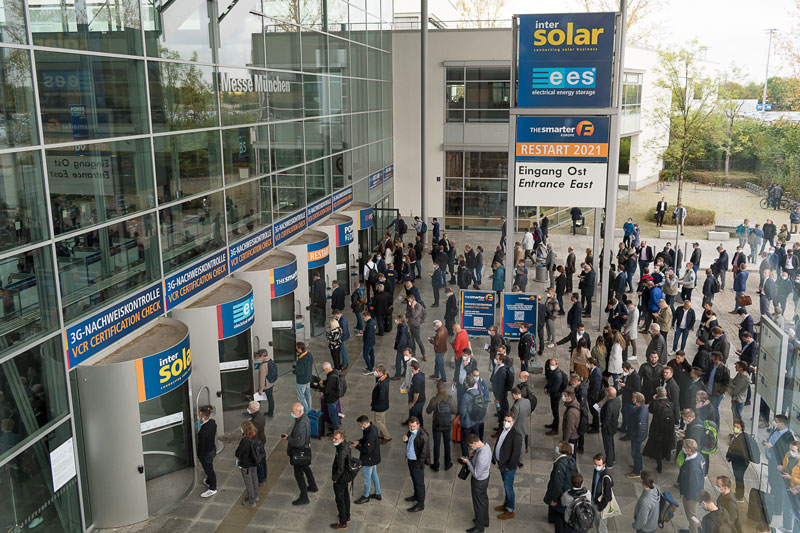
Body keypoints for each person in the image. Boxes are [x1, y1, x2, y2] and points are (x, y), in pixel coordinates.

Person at [283, 402, 317, 505]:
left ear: (300, 411)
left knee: (299, 474)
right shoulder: (304, 418)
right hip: (305, 451)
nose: (291, 413)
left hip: (299, 453)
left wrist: (288, 438)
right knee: (306, 467)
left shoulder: (301, 425)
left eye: (293, 411)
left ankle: (304, 497)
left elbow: (299, 443)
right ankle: (312, 485)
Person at [493, 411, 523, 520]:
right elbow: (499, 443)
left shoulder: (516, 435)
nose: (506, 422)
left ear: (513, 422)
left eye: (508, 421)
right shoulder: (502, 429)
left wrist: (508, 467)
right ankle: (506, 504)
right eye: (505, 420)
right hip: (501, 464)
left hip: (508, 467)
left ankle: (511, 509)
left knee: (508, 487)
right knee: (506, 486)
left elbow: (515, 454)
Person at [544, 441, 578, 533]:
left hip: (561, 496)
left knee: (557, 515)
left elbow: (558, 483)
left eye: (558, 446)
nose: (556, 447)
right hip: (568, 493)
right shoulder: (572, 460)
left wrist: (554, 499)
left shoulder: (560, 464)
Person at [461, 433, 491, 533]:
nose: (471, 447)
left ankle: (479, 527)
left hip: (479, 481)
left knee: (478, 504)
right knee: (484, 500)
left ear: (474, 443)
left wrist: (468, 462)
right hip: (485, 478)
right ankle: (485, 520)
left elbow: (476, 474)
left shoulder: (482, 456)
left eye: (471, 446)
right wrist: (475, 451)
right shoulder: (486, 445)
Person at [642, 387, 675, 473]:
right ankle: (665, 457)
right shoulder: (671, 404)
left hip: (657, 428)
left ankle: (658, 464)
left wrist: (653, 400)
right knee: (663, 445)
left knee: (657, 447)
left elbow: (650, 410)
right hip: (667, 431)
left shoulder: (656, 404)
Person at [425, 380, 456, 471]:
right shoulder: (450, 399)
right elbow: (455, 411)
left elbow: (428, 411)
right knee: (447, 444)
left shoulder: (434, 400)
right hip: (447, 425)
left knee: (436, 445)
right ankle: (447, 464)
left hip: (437, 426)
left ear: (437, 389)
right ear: (445, 389)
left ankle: (436, 465)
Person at [351, 416, 381, 505]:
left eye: (360, 425)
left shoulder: (370, 434)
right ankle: (378, 493)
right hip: (374, 457)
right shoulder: (372, 427)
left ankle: (366, 496)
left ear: (364, 424)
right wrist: (359, 441)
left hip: (369, 459)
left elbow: (367, 450)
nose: (360, 427)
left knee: (367, 478)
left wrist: (356, 446)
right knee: (374, 474)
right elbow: (365, 439)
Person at [678, 439, 705, 533]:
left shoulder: (693, 465)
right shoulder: (699, 456)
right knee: (693, 515)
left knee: (692, 517)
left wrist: (688, 497)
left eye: (685, 448)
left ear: (689, 450)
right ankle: (693, 529)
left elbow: (694, 483)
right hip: (692, 493)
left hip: (691, 496)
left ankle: (694, 530)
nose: (683, 449)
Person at [725, 419, 756, 501]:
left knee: (739, 478)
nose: (735, 428)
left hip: (740, 463)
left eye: (737, 427)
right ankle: (738, 492)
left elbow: (738, 452)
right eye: (734, 426)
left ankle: (739, 495)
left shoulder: (741, 438)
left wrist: (730, 456)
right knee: (738, 477)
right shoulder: (737, 436)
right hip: (738, 462)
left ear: (741, 428)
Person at [403, 417, 429, 512]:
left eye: (413, 426)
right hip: (410, 460)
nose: (411, 428)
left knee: (419, 484)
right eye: (410, 426)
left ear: (418, 425)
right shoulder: (410, 431)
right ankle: (416, 496)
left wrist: (417, 464)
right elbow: (409, 442)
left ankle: (420, 504)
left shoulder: (423, 436)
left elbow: (424, 453)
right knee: (414, 479)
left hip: (417, 463)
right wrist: (405, 440)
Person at [235, 421, 260, 508]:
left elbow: (238, 453)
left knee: (248, 482)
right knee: (255, 479)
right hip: (254, 462)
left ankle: (251, 501)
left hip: (246, 464)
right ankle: (256, 496)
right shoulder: (255, 436)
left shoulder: (245, 441)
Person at [490, 355, 514, 437]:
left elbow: (500, 386)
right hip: (499, 395)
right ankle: (500, 427)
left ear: (501, 360)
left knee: (501, 413)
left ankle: (500, 431)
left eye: (496, 359)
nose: (495, 360)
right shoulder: (498, 366)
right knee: (500, 412)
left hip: (500, 396)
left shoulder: (502, 372)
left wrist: (497, 399)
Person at [197, 406, 218, 498]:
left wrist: (199, 455)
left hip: (206, 454)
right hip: (212, 449)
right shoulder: (212, 423)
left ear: (202, 417)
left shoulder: (202, 432)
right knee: (210, 466)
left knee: (209, 470)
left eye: (199, 415)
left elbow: (201, 446)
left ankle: (212, 488)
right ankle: (209, 481)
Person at [626, 393, 648, 478]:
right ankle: (638, 466)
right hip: (637, 435)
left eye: (634, 398)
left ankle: (636, 471)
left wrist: (633, 435)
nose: (632, 400)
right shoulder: (641, 407)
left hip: (637, 437)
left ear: (638, 401)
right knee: (636, 452)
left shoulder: (641, 413)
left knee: (635, 453)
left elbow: (641, 427)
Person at [591, 454, 614, 533]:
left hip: (600, 505)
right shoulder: (597, 470)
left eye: (599, 465)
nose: (597, 466)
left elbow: (607, 496)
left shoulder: (606, 478)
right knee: (597, 522)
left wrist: (600, 507)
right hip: (594, 499)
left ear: (604, 464)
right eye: (595, 464)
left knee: (602, 527)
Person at [247, 401, 268, 484]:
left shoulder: (254, 421)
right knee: (262, 459)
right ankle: (264, 475)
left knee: (258, 461)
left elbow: (253, 433)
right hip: (262, 439)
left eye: (249, 407)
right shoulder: (261, 415)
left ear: (252, 409)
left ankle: (261, 478)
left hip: (257, 442)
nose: (248, 409)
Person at [618, 361, 640, 438]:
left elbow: (636, 389)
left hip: (630, 401)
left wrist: (625, 386)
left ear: (629, 369)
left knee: (629, 417)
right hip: (625, 398)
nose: (624, 372)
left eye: (625, 370)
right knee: (624, 413)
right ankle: (623, 428)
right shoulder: (628, 374)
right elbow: (625, 378)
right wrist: (621, 380)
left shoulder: (635, 377)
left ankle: (629, 434)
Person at [545, 358, 567, 434]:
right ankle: (553, 424)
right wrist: (546, 386)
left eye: (552, 365)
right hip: (553, 394)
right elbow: (550, 381)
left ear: (557, 365)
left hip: (556, 395)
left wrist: (548, 390)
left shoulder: (558, 375)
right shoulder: (553, 372)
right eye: (550, 364)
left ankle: (555, 429)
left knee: (555, 411)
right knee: (553, 409)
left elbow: (555, 387)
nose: (551, 366)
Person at [371, 365, 391, 443]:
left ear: (381, 372)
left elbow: (381, 397)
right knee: (382, 420)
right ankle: (382, 434)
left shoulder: (382, 384)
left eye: (377, 371)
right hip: (384, 404)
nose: (375, 372)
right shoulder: (383, 378)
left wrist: (375, 403)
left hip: (380, 405)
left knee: (378, 421)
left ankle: (387, 436)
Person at [600, 387, 620, 468]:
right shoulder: (617, 400)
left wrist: (604, 427)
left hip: (608, 428)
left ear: (607, 394)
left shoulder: (609, 405)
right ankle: (612, 458)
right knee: (611, 443)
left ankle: (609, 462)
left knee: (608, 445)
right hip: (613, 425)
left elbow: (606, 419)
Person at [320, 362, 342, 431]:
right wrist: (323, 382)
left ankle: (336, 429)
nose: (324, 371)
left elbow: (326, 390)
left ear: (327, 369)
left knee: (333, 415)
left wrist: (318, 387)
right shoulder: (335, 372)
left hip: (331, 399)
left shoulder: (331, 378)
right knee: (335, 412)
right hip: (335, 397)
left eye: (324, 370)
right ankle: (336, 424)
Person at [293, 342, 313, 414]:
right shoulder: (309, 354)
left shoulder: (301, 359)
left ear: (299, 349)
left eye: (296, 348)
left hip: (302, 380)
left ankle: (307, 411)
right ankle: (309, 409)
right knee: (308, 393)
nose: (296, 349)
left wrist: (294, 371)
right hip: (308, 378)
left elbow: (300, 372)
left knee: (301, 396)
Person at [510, 387, 531, 453]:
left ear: (513, 395)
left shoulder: (516, 406)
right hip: (525, 423)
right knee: (524, 440)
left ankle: (520, 460)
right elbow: (528, 413)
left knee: (520, 445)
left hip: (518, 427)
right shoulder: (527, 401)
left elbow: (513, 419)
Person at [406, 295, 427, 361]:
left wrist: (412, 307)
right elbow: (407, 314)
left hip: (415, 325)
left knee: (418, 340)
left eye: (410, 301)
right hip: (410, 324)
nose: (409, 302)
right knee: (411, 340)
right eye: (408, 301)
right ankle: (413, 353)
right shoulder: (409, 305)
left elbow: (415, 315)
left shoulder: (418, 306)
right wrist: (411, 310)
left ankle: (423, 354)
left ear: (413, 299)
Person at [255, 350, 275, 418]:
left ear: (262, 356)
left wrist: (260, 389)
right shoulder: (270, 361)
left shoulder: (263, 366)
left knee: (257, 398)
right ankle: (270, 413)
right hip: (270, 384)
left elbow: (262, 379)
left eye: (260, 356)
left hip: (265, 386)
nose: (259, 357)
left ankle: (253, 412)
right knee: (270, 399)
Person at [393, 314, 410, 379]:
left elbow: (403, 338)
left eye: (397, 319)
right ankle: (405, 372)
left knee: (398, 361)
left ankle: (398, 375)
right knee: (404, 360)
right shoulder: (404, 325)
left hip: (401, 347)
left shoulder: (402, 327)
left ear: (400, 320)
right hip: (405, 346)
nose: (396, 320)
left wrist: (399, 345)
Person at [361, 310, 376, 375]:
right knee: (371, 354)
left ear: (367, 316)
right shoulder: (373, 322)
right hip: (372, 341)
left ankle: (370, 369)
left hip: (368, 342)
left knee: (365, 355)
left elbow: (368, 335)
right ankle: (371, 366)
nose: (364, 319)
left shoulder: (369, 325)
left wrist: (365, 340)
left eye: (364, 317)